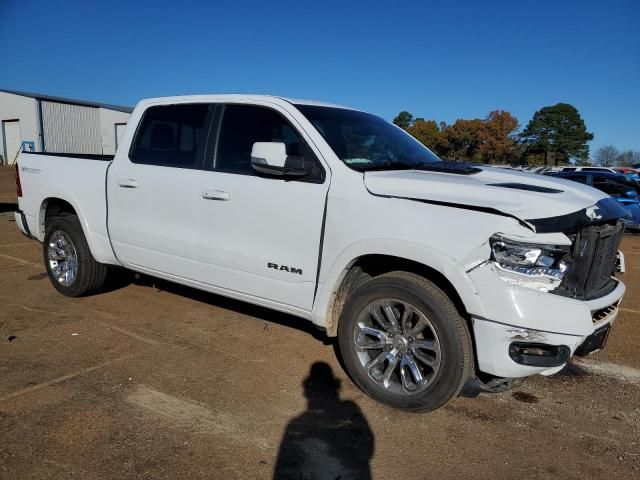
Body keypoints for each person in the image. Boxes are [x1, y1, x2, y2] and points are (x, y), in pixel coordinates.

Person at [273, 362, 374, 480]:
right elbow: (368, 448)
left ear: (307, 391)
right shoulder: (350, 409)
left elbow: (284, 468)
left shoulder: (297, 425)